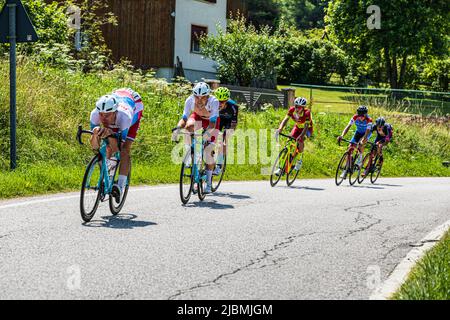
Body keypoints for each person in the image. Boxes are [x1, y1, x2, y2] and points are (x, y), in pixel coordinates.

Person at [90, 88, 144, 202]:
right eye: (101, 115)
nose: (103, 119)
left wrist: (111, 135)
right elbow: (94, 146)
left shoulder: (124, 117)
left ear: (115, 112)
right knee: (104, 141)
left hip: (134, 106)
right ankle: (106, 176)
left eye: (107, 115)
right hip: (118, 95)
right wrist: (95, 135)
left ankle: (120, 185)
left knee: (124, 149)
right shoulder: (95, 114)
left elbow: (117, 148)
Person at [173, 82, 220, 194]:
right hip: (197, 117)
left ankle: (208, 183)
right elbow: (184, 118)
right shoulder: (189, 100)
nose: (199, 100)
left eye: (202, 97)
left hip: (211, 122)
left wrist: (206, 137)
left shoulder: (214, 102)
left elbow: (212, 125)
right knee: (188, 128)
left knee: (208, 151)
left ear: (207, 96)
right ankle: (189, 153)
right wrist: (177, 129)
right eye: (196, 97)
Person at [274, 97, 314, 176]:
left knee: (300, 140)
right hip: (297, 128)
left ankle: (299, 159)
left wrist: (301, 136)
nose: (297, 108)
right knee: (289, 142)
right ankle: (281, 168)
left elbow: (306, 126)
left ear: (303, 108)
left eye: (299, 107)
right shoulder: (292, 110)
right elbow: (285, 119)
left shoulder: (307, 113)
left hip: (307, 129)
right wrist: (280, 129)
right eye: (296, 106)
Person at [213, 87, 239, 175]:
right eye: (218, 100)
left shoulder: (233, 106)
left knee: (223, 141)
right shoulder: (213, 104)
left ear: (227, 100)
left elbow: (234, 124)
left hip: (229, 122)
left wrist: (228, 134)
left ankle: (219, 165)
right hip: (219, 120)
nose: (220, 103)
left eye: (222, 101)